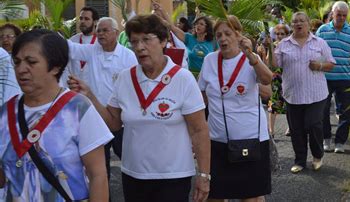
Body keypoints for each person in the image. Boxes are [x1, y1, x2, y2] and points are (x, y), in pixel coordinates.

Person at [69, 15, 210, 201]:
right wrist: (90, 96)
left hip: (173, 176)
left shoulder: (183, 79)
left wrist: (204, 175)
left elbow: (199, 131)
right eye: (134, 41)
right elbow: (113, 123)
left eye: (146, 40)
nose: (139, 47)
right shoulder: (125, 78)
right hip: (133, 175)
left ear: (163, 41)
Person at [0, 29, 112, 201]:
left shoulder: (77, 108)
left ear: (55, 67)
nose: (21, 69)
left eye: (31, 62)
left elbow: (98, 176)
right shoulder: (5, 112)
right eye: (17, 62)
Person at [198, 15, 273, 201]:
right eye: (219, 35)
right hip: (218, 141)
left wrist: (251, 56)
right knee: (215, 195)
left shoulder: (250, 59)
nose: (223, 39)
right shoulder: (209, 60)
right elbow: (201, 98)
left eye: (227, 34)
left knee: (251, 197)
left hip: (251, 140)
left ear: (238, 35)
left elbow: (267, 84)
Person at [66, 17, 137, 180]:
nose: (100, 34)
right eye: (98, 30)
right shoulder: (91, 51)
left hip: (120, 118)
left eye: (105, 30)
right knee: (100, 165)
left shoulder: (128, 56)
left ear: (116, 33)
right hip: (96, 117)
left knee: (129, 159)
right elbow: (71, 49)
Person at [273, 12, 335, 173]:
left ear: (308, 23)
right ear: (291, 25)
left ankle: (317, 155)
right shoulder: (283, 44)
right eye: (295, 22)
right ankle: (300, 160)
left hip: (316, 93)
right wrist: (267, 47)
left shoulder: (319, 43)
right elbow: (274, 65)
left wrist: (319, 66)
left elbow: (331, 63)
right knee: (296, 129)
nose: (298, 24)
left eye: (302, 21)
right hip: (293, 94)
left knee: (313, 124)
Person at [317, 1, 350, 154]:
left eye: (344, 15)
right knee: (322, 110)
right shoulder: (322, 30)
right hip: (324, 78)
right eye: (338, 15)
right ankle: (326, 139)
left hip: (344, 77)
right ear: (332, 14)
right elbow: (315, 51)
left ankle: (340, 142)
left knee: (345, 111)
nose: (341, 18)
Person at [154, 3, 216, 75]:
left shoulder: (213, 42)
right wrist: (162, 10)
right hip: (191, 75)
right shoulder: (189, 38)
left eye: (201, 24)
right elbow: (172, 27)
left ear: (207, 28)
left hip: (207, 75)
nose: (197, 26)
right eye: (197, 24)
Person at [61, 6, 99, 86]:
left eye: (86, 19)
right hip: (73, 89)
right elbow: (65, 66)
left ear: (95, 22)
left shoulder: (100, 42)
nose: (82, 21)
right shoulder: (72, 40)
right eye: (81, 18)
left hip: (94, 91)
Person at [265, 24, 290, 137]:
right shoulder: (273, 45)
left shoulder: (291, 45)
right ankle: (271, 130)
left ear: (287, 35)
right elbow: (267, 62)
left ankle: (290, 127)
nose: (279, 36)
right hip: (275, 78)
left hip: (288, 77)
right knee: (273, 103)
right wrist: (270, 47)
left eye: (282, 34)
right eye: (277, 33)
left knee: (290, 103)